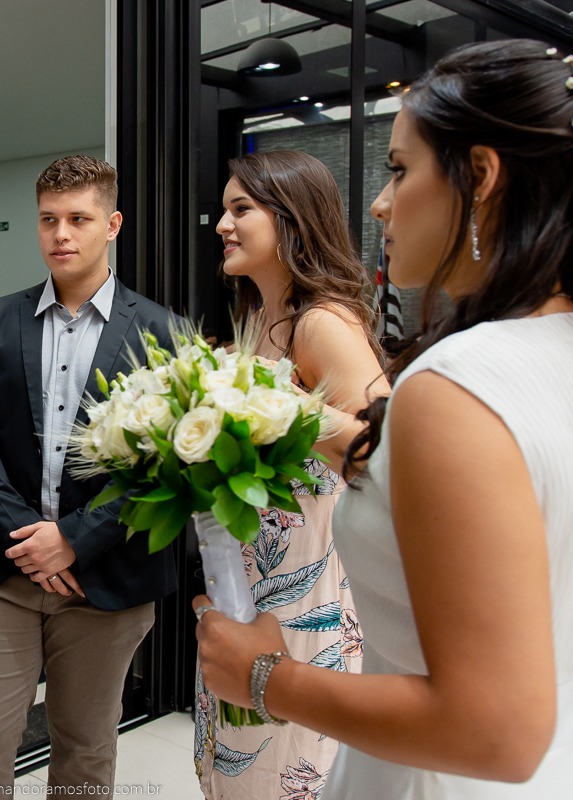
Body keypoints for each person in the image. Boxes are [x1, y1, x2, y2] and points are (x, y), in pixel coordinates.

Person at [193, 40, 573, 800]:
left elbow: (493, 730)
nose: (378, 203)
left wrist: (263, 677)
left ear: (480, 177)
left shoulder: (459, 382)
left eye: (400, 171)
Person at [0, 155, 180, 797]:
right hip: (2, 568)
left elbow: (164, 466)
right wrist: (31, 534)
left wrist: (74, 536)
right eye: (48, 219)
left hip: (105, 575)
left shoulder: (163, 332)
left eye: (79, 219)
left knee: (84, 750)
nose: (61, 235)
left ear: (113, 224)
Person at [194, 151, 387, 799]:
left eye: (241, 209)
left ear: (293, 219)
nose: (222, 223)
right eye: (225, 209)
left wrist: (278, 406)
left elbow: (382, 451)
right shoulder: (255, 326)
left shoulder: (321, 323)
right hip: (252, 589)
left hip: (308, 603)